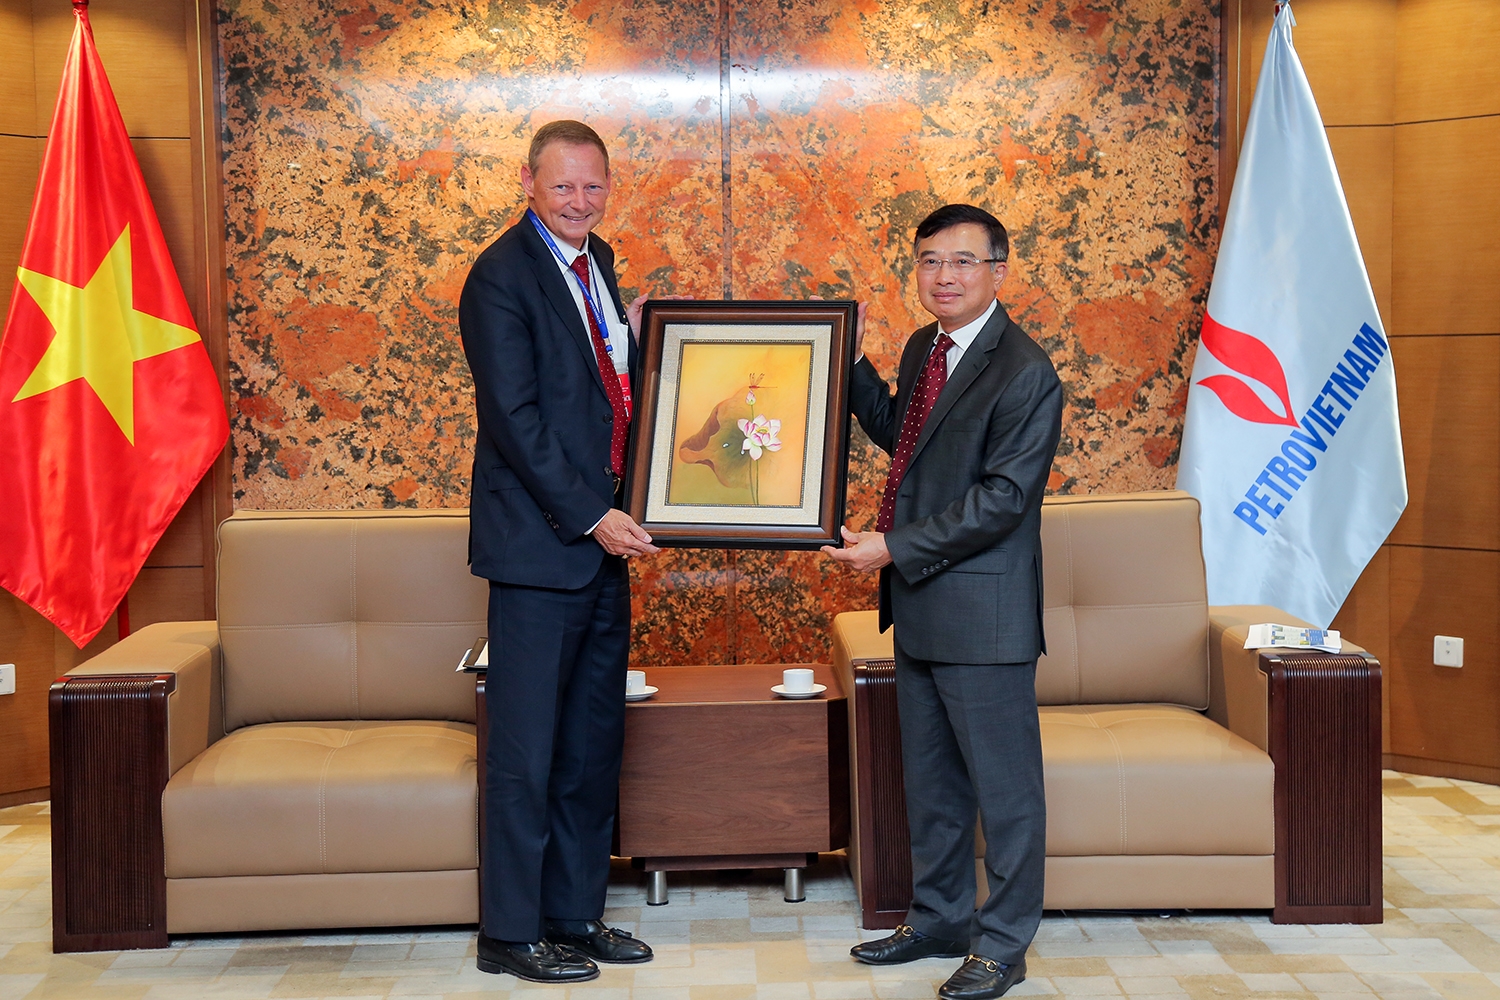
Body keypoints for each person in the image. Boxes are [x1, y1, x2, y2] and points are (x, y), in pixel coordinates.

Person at [822, 204, 1062, 1000]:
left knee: (1006, 794)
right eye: (930, 261)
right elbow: (906, 435)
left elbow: (1004, 500)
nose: (944, 276)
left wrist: (893, 546)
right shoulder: (927, 346)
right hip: (922, 607)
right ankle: (939, 919)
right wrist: (851, 362)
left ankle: (1003, 946)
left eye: (963, 261)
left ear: (999, 271)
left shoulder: (1024, 371)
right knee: (932, 786)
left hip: (984, 619)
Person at [458, 120, 661, 984]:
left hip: (601, 547)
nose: (580, 200)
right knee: (528, 750)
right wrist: (592, 516)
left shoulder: (595, 261)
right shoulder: (499, 276)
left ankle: (574, 914)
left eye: (593, 185)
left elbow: (598, 386)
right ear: (529, 183)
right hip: (543, 549)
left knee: (588, 745)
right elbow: (516, 419)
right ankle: (510, 933)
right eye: (563, 185)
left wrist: (642, 337)